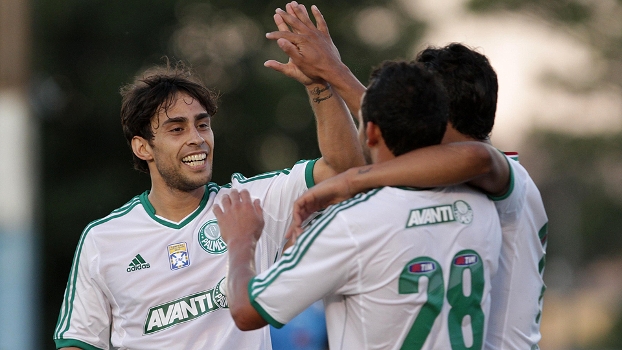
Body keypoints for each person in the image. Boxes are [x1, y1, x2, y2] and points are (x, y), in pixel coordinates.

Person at [268, 3, 549, 349]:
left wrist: (352, 178)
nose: (413, 116)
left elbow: (471, 155)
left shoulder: (505, 177)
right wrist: (326, 78)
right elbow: (393, 131)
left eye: (420, 105)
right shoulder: (456, 182)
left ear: (440, 119)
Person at [52, 58, 365, 349]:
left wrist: (318, 85)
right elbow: (79, 342)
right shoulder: (103, 239)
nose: (197, 138)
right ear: (143, 147)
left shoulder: (252, 202)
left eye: (202, 125)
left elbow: (342, 168)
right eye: (177, 129)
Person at [216, 60, 503, 349]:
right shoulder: (482, 204)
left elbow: (246, 311)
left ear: (371, 132)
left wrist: (242, 241)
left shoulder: (351, 224)